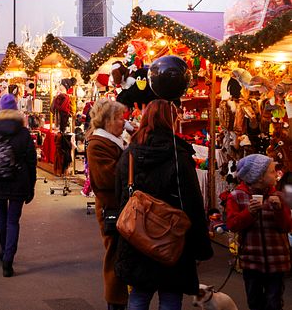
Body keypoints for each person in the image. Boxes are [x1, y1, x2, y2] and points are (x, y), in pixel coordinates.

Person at [114, 99, 212, 310]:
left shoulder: (130, 153)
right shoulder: (178, 155)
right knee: (170, 295)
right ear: (171, 121)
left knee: (139, 294)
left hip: (137, 235)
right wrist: (200, 246)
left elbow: (121, 196)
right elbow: (192, 202)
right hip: (172, 236)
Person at [0, 93, 36, 277]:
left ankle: (3, 250)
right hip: (19, 181)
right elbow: (31, 161)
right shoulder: (23, 132)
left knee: (1, 218)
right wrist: (31, 185)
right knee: (13, 221)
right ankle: (8, 260)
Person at [226, 154, 292, 310]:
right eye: (271, 171)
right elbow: (232, 225)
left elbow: (287, 227)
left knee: (274, 303)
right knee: (254, 302)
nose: (276, 174)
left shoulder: (280, 196)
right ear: (259, 177)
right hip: (251, 261)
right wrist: (249, 213)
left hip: (277, 260)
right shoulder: (236, 196)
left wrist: (279, 210)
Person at [85, 99, 129, 310]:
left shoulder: (114, 141)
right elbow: (107, 178)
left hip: (120, 207)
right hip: (111, 209)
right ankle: (116, 302)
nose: (123, 122)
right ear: (108, 120)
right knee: (114, 256)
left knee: (121, 255)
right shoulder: (98, 144)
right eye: (119, 117)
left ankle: (120, 300)